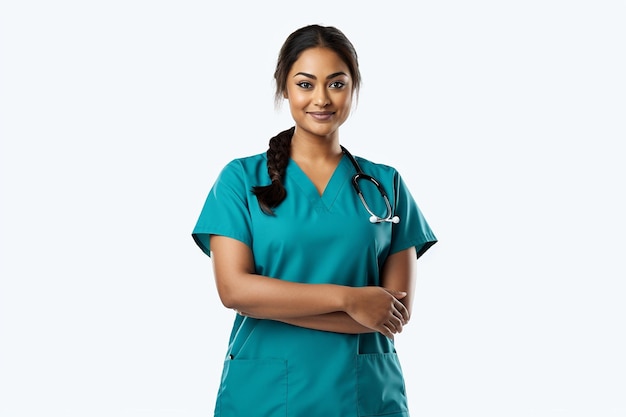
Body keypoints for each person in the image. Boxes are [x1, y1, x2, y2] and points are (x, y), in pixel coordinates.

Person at [192, 24, 437, 417]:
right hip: (264, 397)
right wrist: (351, 299)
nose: (321, 99)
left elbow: (393, 314)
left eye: (336, 84)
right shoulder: (240, 179)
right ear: (284, 88)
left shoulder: (386, 183)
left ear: (354, 88)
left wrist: (270, 304)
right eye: (305, 84)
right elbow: (234, 291)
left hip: (363, 396)